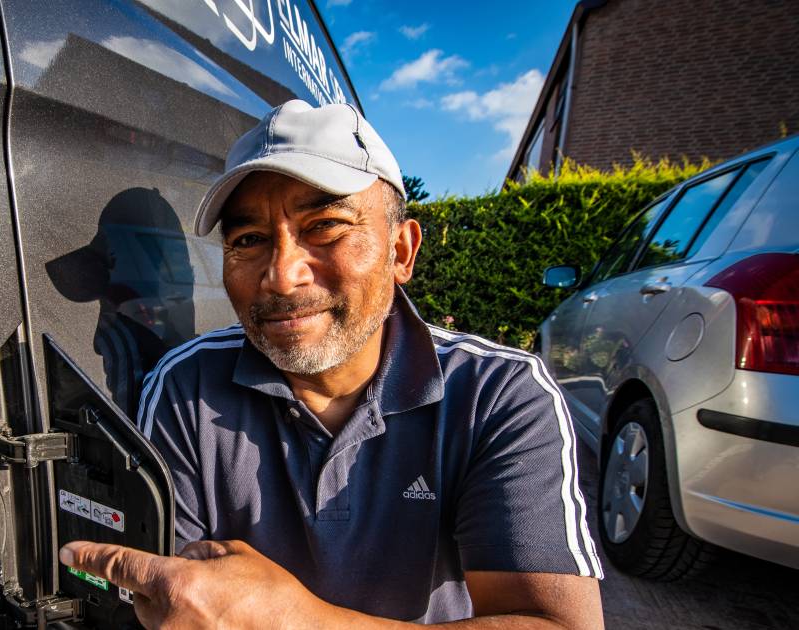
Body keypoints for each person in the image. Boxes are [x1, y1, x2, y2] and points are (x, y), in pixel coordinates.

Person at [60, 100, 604, 628]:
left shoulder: (498, 395)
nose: (282, 275)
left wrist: (296, 622)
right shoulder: (185, 387)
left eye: (325, 226)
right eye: (248, 240)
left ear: (401, 251)